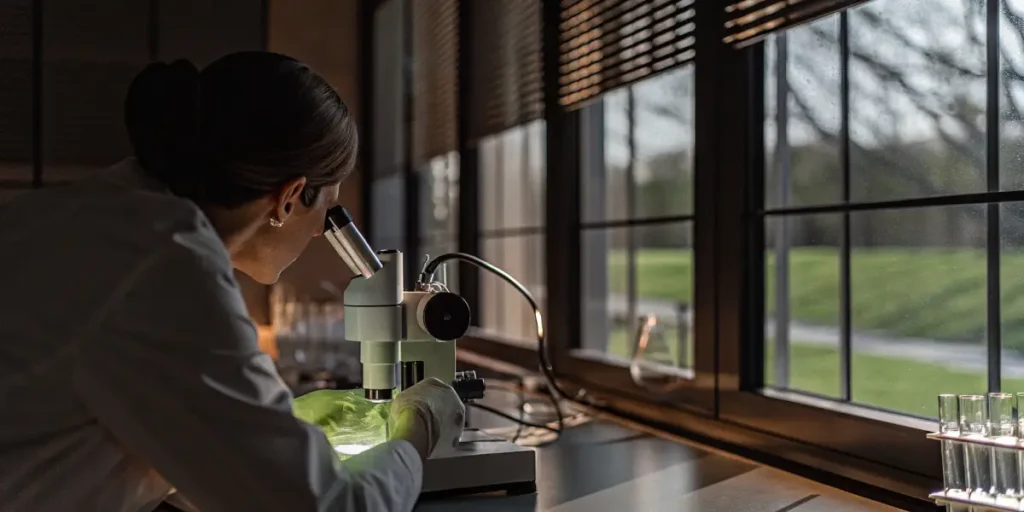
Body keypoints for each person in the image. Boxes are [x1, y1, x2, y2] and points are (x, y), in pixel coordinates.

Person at [0, 52, 465, 512]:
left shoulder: (91, 219)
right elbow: (329, 507)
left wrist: (284, 422)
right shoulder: (166, 267)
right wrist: (419, 428)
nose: (324, 232)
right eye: (327, 212)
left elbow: (132, 421)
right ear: (287, 199)